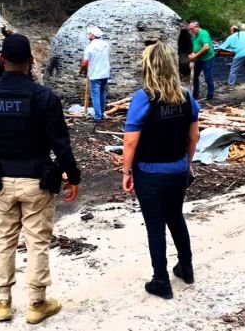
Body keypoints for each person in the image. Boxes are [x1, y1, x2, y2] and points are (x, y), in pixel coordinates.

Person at [0, 33, 81, 323]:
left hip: (0, 180)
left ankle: (3, 302)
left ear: (1, 60)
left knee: (3, 240)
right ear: (31, 61)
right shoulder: (44, 97)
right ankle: (36, 304)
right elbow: (60, 143)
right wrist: (74, 175)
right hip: (36, 181)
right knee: (37, 243)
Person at [121, 41, 200, 299]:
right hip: (177, 169)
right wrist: (187, 163)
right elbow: (194, 136)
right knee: (176, 217)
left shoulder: (144, 98)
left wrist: (126, 172)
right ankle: (186, 268)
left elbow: (131, 140)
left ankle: (161, 280)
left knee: (155, 226)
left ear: (148, 66)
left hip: (151, 172)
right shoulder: (185, 96)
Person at [79, 26, 111, 122]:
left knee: (95, 95)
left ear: (93, 35)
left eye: (89, 34)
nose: (88, 35)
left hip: (95, 74)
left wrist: (81, 71)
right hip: (105, 73)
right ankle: (101, 113)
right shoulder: (106, 44)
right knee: (102, 93)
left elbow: (85, 63)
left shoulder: (90, 47)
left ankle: (98, 117)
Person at [218, 26, 245, 91]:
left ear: (232, 31)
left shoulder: (230, 38)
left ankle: (230, 86)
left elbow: (220, 49)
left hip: (240, 54)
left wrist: (218, 54)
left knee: (233, 71)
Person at [188, 21, 215, 100]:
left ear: (197, 27)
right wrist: (192, 56)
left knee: (208, 77)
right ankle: (195, 94)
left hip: (207, 59)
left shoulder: (203, 33)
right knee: (194, 76)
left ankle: (210, 96)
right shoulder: (194, 37)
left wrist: (195, 55)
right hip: (199, 59)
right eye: (190, 29)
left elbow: (206, 47)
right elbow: (194, 49)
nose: (191, 31)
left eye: (192, 29)